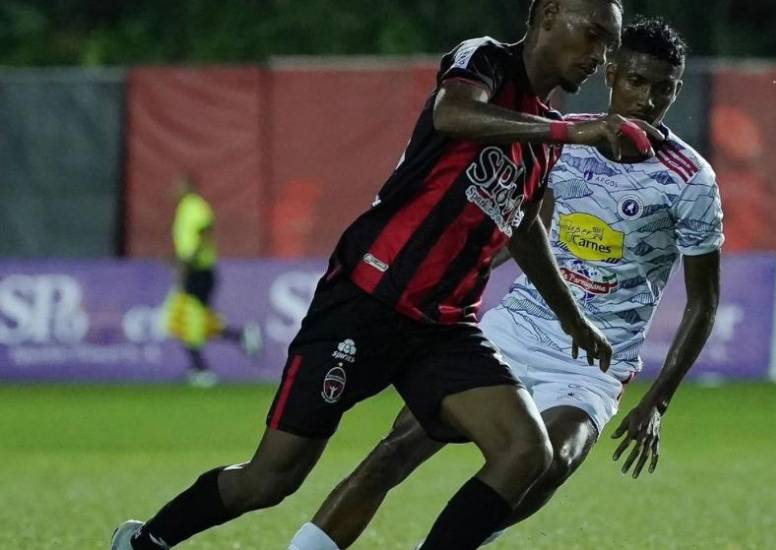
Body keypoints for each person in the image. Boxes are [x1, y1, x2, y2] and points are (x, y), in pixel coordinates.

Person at [112, 1, 661, 548]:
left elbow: (523, 229)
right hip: (367, 298)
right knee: (271, 479)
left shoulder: (544, 139)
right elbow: (452, 114)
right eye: (592, 35)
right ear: (547, 15)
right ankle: (147, 541)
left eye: (608, 45)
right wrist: (568, 134)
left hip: (443, 327)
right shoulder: (488, 61)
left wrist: (571, 318)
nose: (600, 56)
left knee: (526, 451)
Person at [286, 16, 723, 550]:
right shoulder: (563, 135)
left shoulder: (691, 180)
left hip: (595, 364)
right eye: (635, 80)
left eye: (663, 88)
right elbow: (517, 230)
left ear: (678, 90)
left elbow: (703, 301)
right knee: (399, 445)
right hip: (515, 329)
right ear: (611, 72)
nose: (647, 98)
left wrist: (658, 401)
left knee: (551, 462)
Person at [164, 174, 262, 387]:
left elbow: (205, 228)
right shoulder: (183, 209)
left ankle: (201, 370)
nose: (175, 188)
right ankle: (239, 337)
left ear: (188, 185)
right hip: (193, 270)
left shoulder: (195, 206)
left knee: (188, 319)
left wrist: (191, 256)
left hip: (199, 270)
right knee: (190, 319)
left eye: (178, 184)